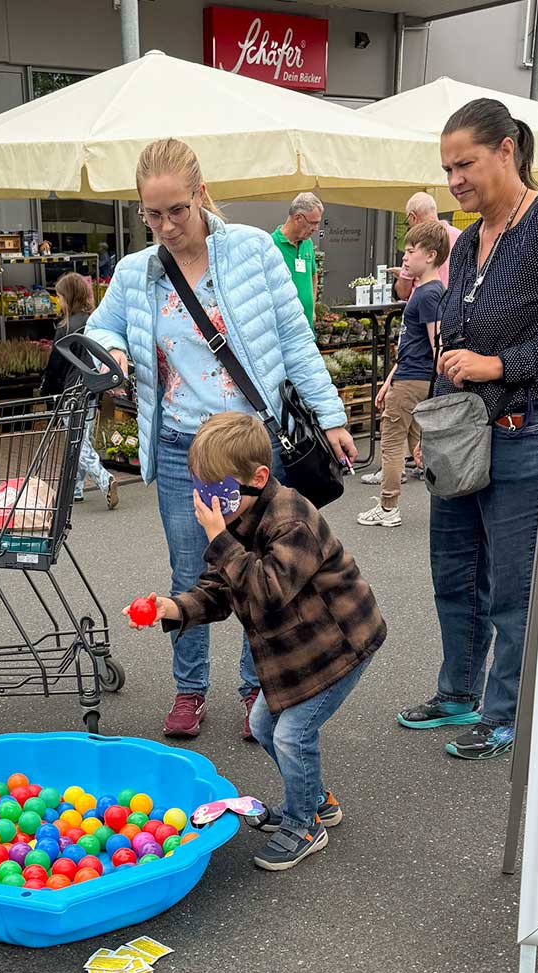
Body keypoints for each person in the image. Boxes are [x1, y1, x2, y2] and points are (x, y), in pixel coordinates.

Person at [86, 137, 355, 742]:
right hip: (184, 446)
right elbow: (101, 327)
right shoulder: (137, 273)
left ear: (202, 195)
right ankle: (189, 689)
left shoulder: (255, 251)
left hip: (256, 445)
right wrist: (112, 348)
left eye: (177, 210)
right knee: (192, 570)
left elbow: (294, 338)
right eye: (151, 214)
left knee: (262, 568)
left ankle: (256, 683)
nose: (166, 225)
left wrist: (332, 415)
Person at [398, 99, 538, 761]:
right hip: (462, 433)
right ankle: (457, 688)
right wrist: (436, 404)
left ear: (507, 149)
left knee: (510, 587)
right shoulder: (466, 239)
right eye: (446, 167)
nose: (454, 179)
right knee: (453, 572)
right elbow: (456, 331)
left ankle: (504, 709)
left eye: (465, 163)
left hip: (523, 430)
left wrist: (500, 363)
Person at [127, 413, 385, 870]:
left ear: (258, 478)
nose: (207, 505)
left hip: (340, 643)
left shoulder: (292, 519)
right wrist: (173, 608)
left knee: (291, 734)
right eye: (200, 490)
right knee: (267, 727)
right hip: (296, 651)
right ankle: (317, 800)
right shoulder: (239, 516)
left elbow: (266, 592)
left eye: (217, 493)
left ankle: (305, 825)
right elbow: (220, 589)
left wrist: (217, 537)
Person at [357, 221, 448, 529]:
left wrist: (438, 387)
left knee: (392, 442)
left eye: (411, 251)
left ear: (431, 255)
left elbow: (438, 344)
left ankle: (387, 506)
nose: (405, 257)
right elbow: (413, 344)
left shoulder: (429, 295)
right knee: (414, 441)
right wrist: (388, 382)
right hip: (408, 376)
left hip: (414, 380)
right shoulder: (424, 291)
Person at [40, 271, 118, 510]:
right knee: (83, 436)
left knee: (77, 442)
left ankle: (105, 479)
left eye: (60, 296)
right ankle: (75, 488)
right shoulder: (94, 321)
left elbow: (56, 364)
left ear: (68, 297)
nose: (58, 301)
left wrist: (47, 390)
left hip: (71, 390)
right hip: (92, 387)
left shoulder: (66, 327)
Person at [392, 193, 460, 301]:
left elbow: (403, 292)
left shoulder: (417, 241)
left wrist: (402, 274)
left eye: (408, 222)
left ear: (413, 217)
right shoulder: (460, 236)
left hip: (422, 304)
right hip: (454, 306)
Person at [272, 193, 322, 328]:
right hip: (285, 328)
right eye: (313, 223)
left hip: (307, 326)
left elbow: (313, 275)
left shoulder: (307, 243)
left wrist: (312, 309)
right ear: (298, 218)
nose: (316, 228)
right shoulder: (271, 244)